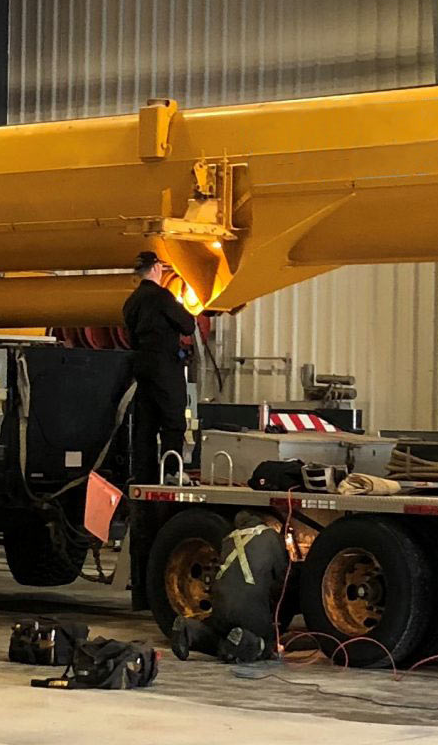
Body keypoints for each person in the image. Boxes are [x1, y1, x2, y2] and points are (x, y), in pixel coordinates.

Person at [170, 511, 289, 663]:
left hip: (220, 607)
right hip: (249, 610)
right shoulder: (271, 536)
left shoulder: (228, 539)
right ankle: (243, 640)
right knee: (266, 644)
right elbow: (283, 578)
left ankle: (190, 630)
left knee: (219, 634)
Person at [122, 251, 196, 485]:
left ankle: (145, 475)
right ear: (156, 268)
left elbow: (130, 336)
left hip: (141, 364)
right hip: (165, 365)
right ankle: (172, 472)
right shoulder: (163, 297)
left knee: (146, 423)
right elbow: (188, 325)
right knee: (173, 418)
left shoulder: (131, 301)